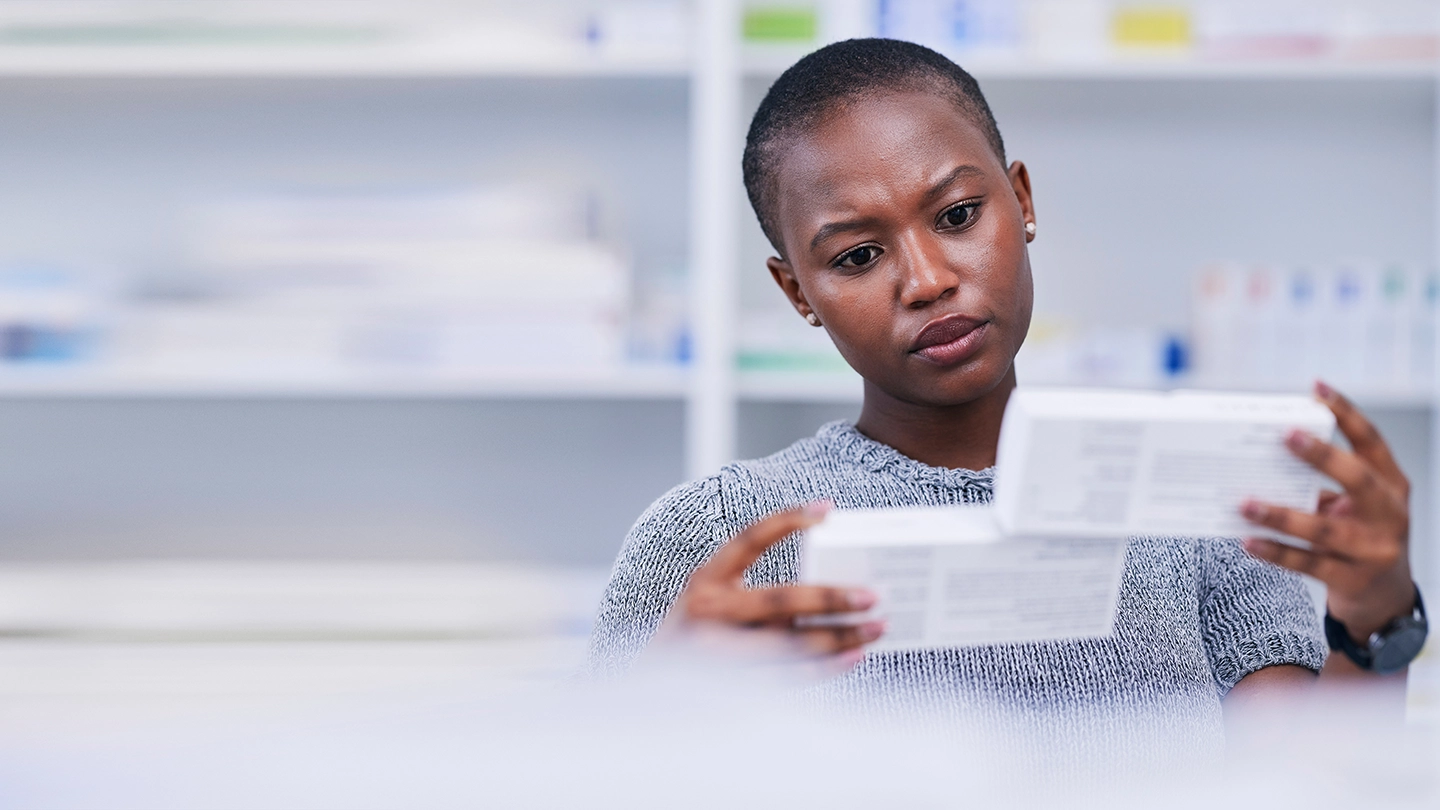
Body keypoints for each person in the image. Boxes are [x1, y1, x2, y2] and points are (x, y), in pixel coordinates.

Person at [586, 39, 1421, 749]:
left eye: (956, 215)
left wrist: (1377, 611)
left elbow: (1305, 784)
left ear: (1019, 200)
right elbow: (587, 776)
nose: (927, 280)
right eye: (856, 257)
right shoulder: (720, 536)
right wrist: (664, 699)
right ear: (797, 291)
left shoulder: (1185, 499)